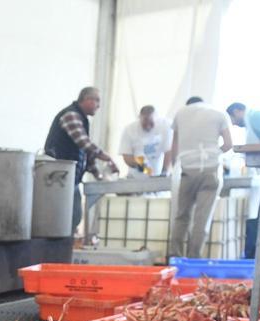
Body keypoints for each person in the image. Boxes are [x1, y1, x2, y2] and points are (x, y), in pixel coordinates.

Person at [44, 86, 120, 234]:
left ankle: (68, 243)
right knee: (64, 217)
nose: (99, 105)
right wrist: (106, 157)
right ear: (86, 99)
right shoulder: (71, 115)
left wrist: (98, 174)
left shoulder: (81, 119)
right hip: (58, 178)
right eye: (97, 100)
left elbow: (85, 152)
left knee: (74, 216)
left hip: (69, 178)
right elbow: (84, 143)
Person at [167, 97, 233, 259]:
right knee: (202, 218)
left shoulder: (180, 113)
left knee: (182, 215)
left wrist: (176, 166)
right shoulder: (219, 114)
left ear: (188, 104)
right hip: (210, 170)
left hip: (187, 170)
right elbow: (228, 144)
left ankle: (175, 257)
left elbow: (174, 146)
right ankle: (194, 258)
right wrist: (214, 153)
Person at [227, 101, 260, 257]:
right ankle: (253, 252)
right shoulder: (251, 124)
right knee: (256, 212)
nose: (235, 124)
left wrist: (258, 151)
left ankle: (255, 253)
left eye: (233, 119)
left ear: (237, 111)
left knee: (258, 213)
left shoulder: (255, 115)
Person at [119, 105, 172, 176]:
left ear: (156, 119)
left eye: (151, 122)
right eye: (145, 122)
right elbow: (126, 156)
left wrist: (164, 171)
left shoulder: (165, 125)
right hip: (136, 175)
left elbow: (169, 151)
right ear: (139, 118)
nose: (148, 126)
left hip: (157, 173)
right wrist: (141, 166)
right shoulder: (129, 130)